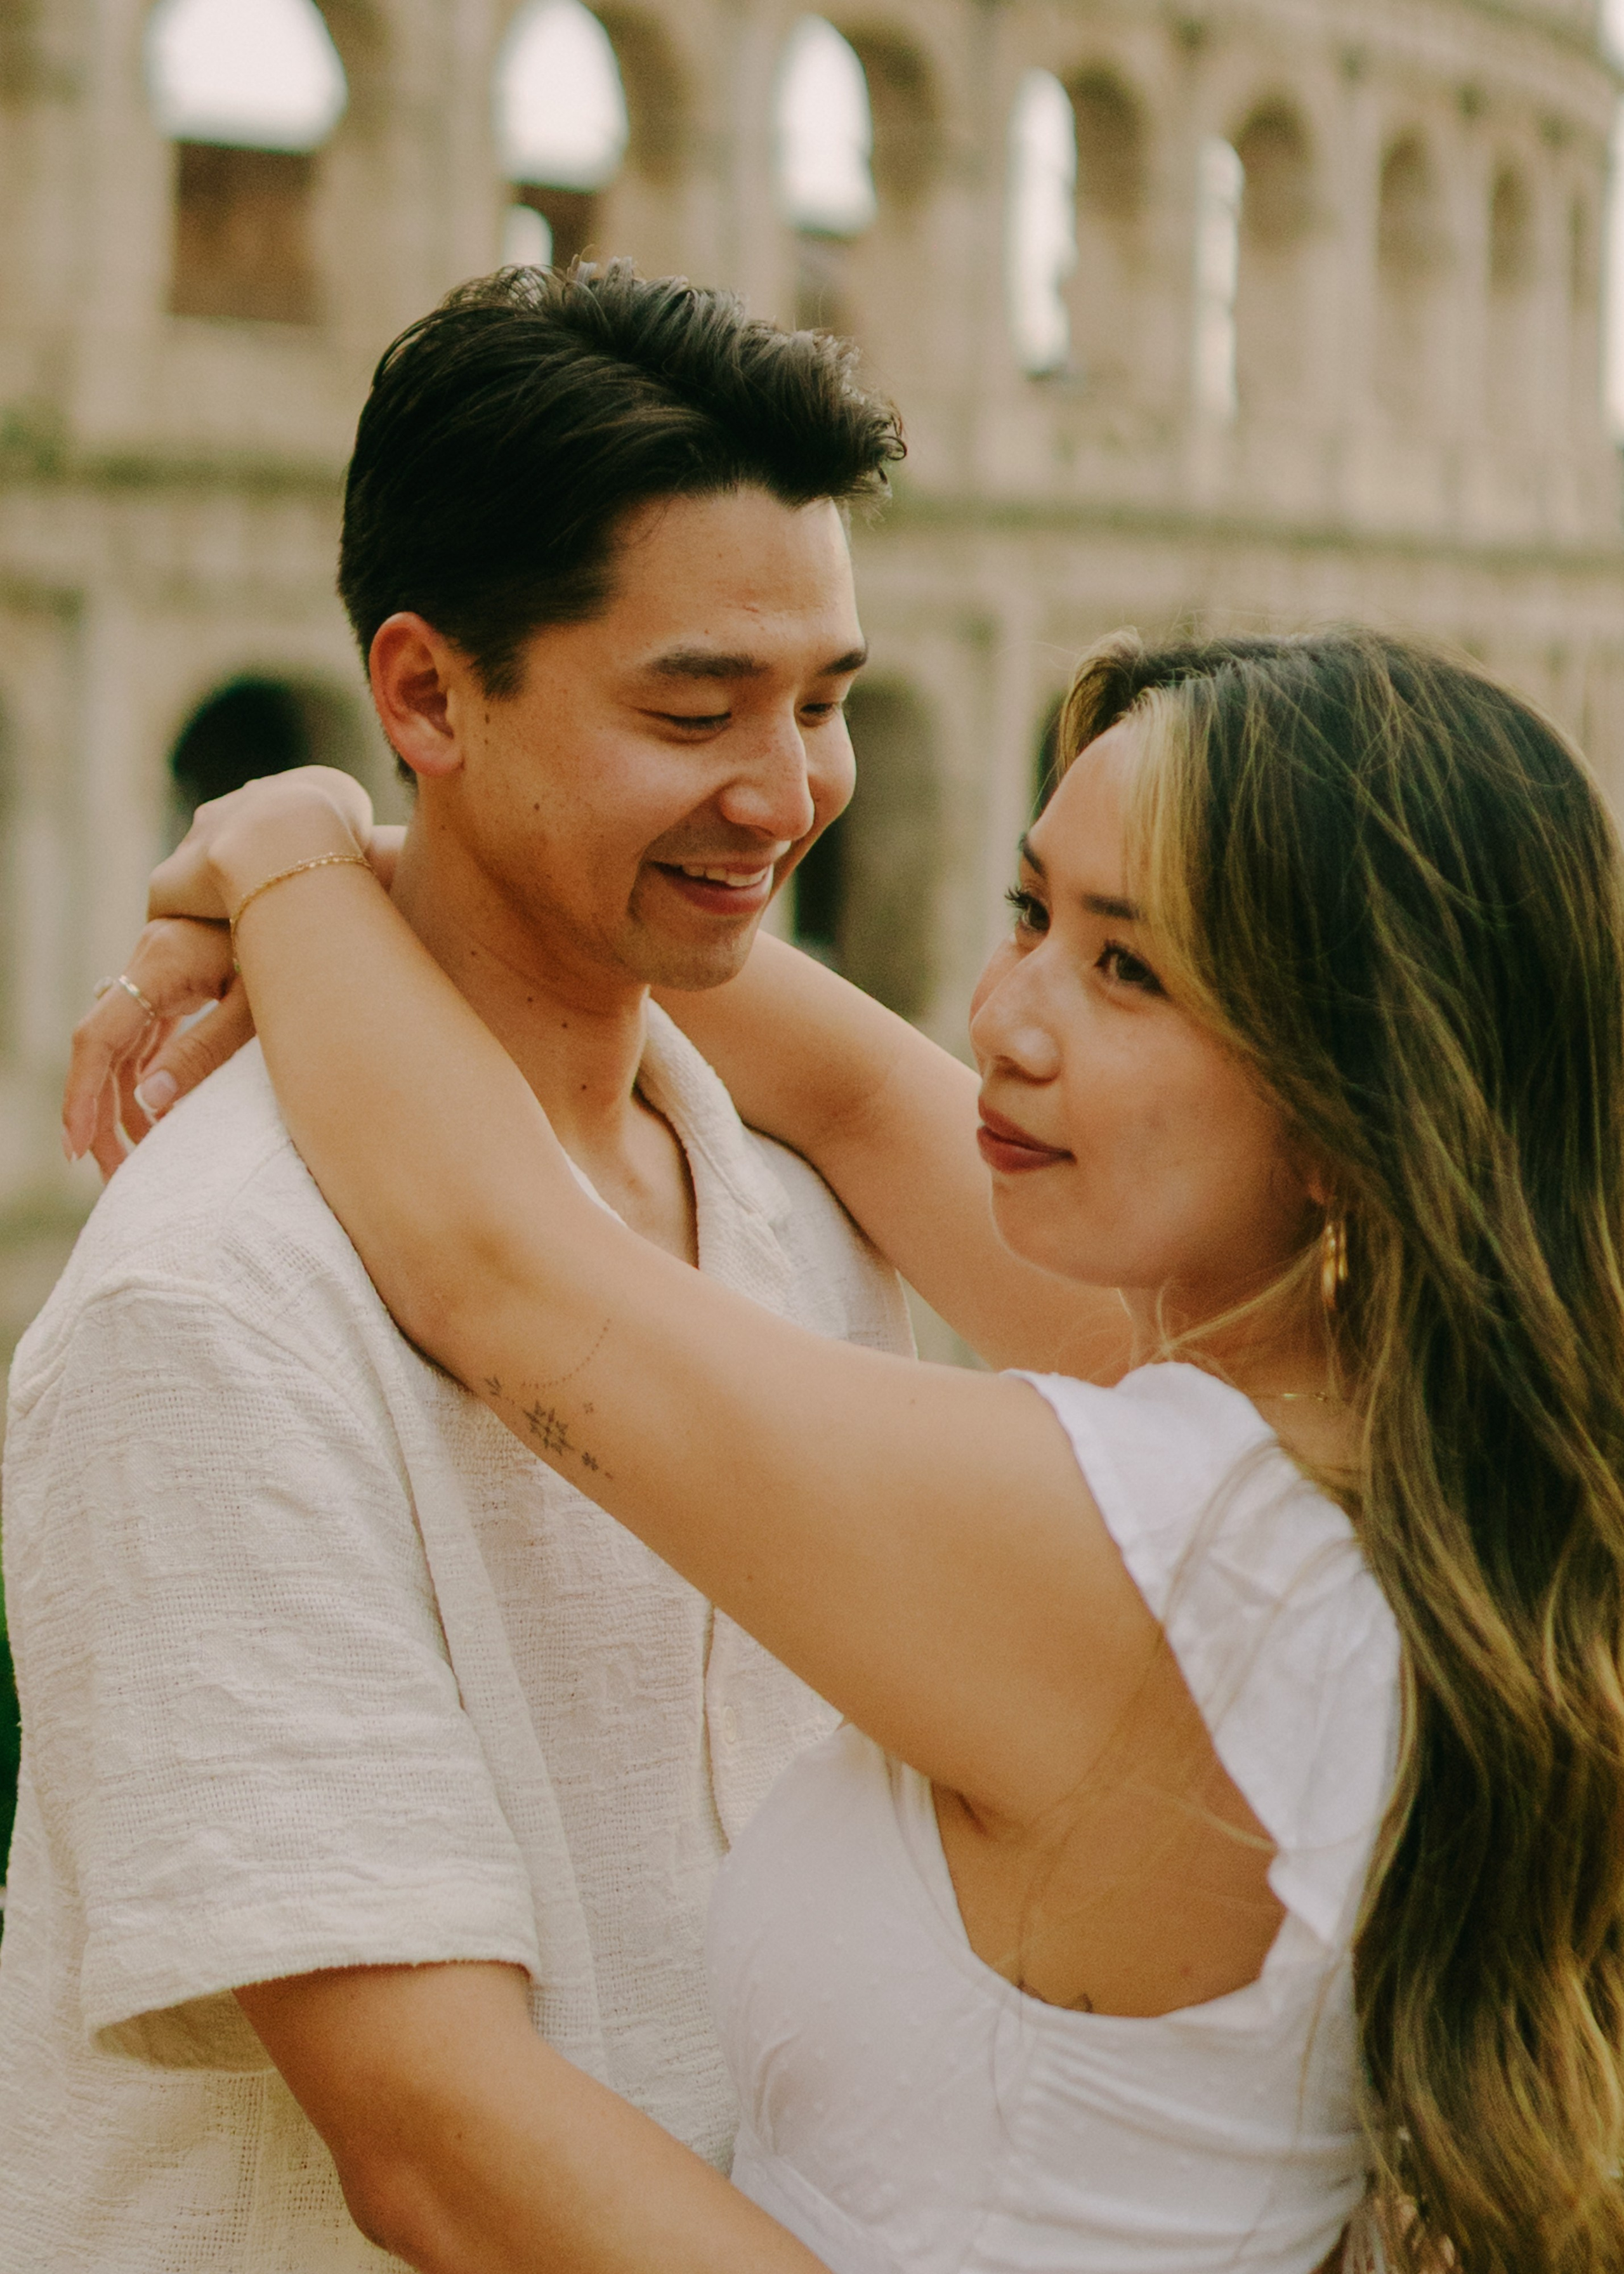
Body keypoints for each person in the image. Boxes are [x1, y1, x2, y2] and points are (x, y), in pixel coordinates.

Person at [76, 624, 1624, 2272]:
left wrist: (281, 850)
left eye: (1132, 972)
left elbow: (504, 1279)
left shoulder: (1173, 1550)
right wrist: (431, 873)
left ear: (1348, 1109)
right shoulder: (1430, 1457)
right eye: (1034, 914)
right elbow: (870, 1097)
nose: (1007, 1020)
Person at [0, 263, 1120, 2274]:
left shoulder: (798, 1177)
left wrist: (296, 857)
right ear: (427, 693)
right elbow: (437, 2146)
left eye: (830, 702)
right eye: (698, 710)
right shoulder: (217, 1303)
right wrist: (313, 870)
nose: (791, 794)